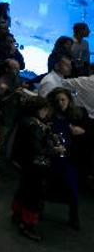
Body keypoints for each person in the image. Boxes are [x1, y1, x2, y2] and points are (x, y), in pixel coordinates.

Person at [11, 96, 63, 241]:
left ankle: (17, 215)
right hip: (36, 166)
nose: (47, 113)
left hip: (26, 164)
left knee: (24, 190)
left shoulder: (27, 121)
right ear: (38, 110)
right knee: (34, 196)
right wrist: (55, 150)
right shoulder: (34, 125)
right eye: (45, 109)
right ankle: (27, 225)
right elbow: (37, 149)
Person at [46, 87, 85, 230]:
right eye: (58, 100)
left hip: (68, 158)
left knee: (72, 186)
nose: (61, 103)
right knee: (44, 185)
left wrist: (82, 131)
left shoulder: (76, 116)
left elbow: (87, 132)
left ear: (69, 100)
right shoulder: (49, 116)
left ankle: (74, 216)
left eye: (63, 99)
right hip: (51, 157)